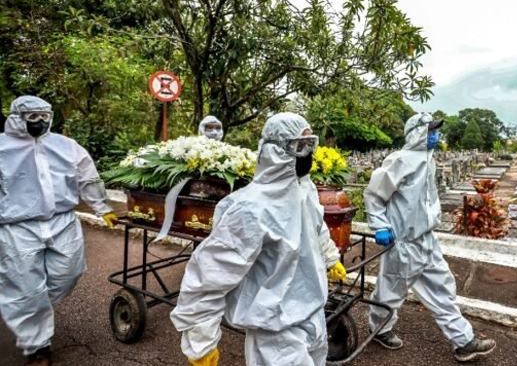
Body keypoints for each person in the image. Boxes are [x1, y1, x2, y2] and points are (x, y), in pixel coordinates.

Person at [170, 112, 346, 366]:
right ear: (277, 150)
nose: (308, 152)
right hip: (276, 333)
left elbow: (316, 229)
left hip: (312, 314)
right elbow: (210, 274)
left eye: (311, 144)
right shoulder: (250, 208)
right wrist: (201, 341)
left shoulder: (303, 190)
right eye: (300, 145)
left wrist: (330, 258)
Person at [364, 112, 496, 363]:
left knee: (442, 287)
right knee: (391, 291)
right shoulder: (399, 160)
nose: (435, 136)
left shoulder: (429, 160)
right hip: (402, 242)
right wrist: (379, 225)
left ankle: (464, 341)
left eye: (436, 131)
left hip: (426, 239)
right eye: (430, 131)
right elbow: (374, 195)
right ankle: (380, 330)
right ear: (417, 133)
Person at [0, 95, 118, 366]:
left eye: (44, 117)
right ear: (17, 118)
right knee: (24, 285)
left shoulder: (66, 146)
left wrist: (103, 207)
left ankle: (32, 310)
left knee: (70, 272)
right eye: (33, 117)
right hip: (17, 226)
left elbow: (88, 177)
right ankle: (37, 348)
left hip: (63, 221)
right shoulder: (2, 148)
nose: (40, 122)